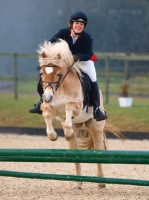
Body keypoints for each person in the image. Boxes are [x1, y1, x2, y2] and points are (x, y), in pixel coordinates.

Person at [29, 11, 108, 121]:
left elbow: (88, 54)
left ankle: (97, 109)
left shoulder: (87, 38)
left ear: (84, 26)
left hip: (81, 62)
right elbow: (50, 43)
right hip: (63, 62)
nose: (79, 26)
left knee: (92, 79)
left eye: (81, 24)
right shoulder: (62, 32)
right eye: (76, 23)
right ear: (71, 24)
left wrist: (77, 56)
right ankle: (41, 102)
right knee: (46, 76)